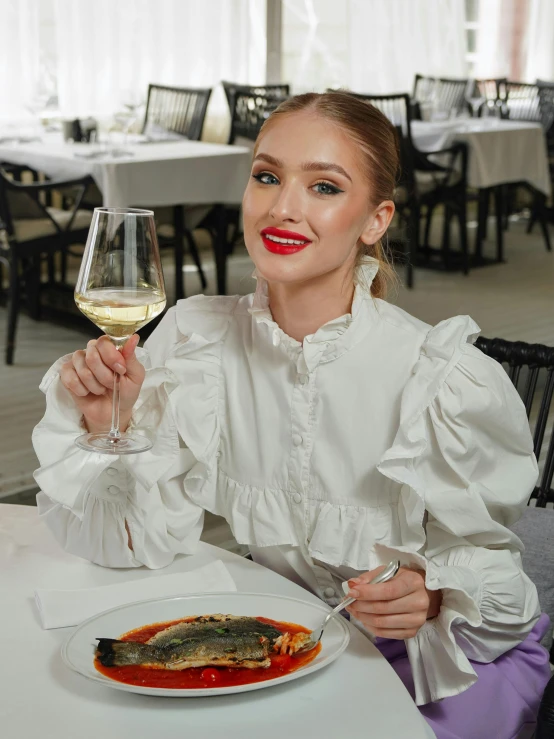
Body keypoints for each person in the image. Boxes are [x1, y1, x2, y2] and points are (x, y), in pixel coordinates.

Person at [33, 92, 550, 738]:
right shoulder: (199, 343)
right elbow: (126, 543)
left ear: (374, 219)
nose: (282, 207)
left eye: (325, 186)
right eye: (267, 176)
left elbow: (508, 591)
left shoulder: (439, 378)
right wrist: (110, 423)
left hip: (438, 662)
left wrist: (437, 592)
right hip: (290, 644)